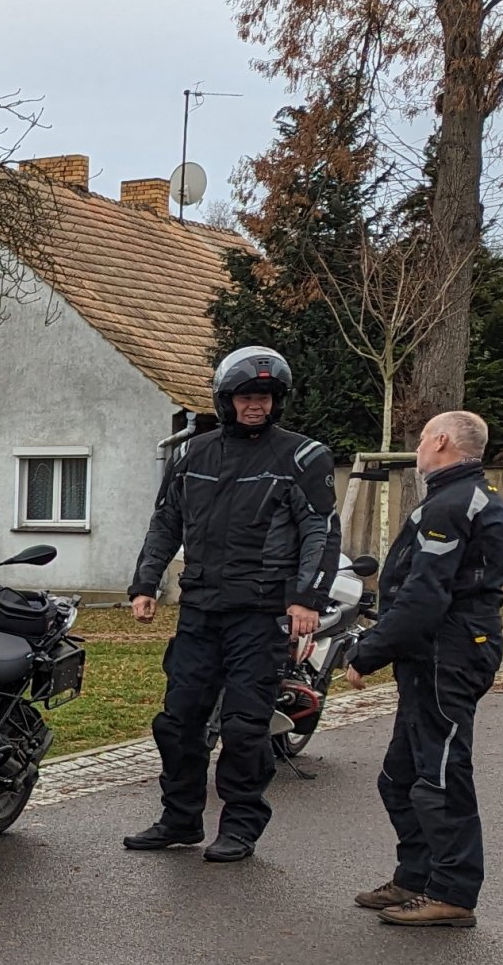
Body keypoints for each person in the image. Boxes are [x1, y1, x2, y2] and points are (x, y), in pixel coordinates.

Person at [121, 347, 340, 863]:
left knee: (244, 727)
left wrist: (306, 598)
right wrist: (145, 583)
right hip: (200, 611)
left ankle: (240, 825)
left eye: (265, 396)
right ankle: (179, 818)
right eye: (246, 397)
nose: (256, 405)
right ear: (226, 400)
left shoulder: (303, 457)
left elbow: (320, 531)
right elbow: (165, 523)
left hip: (260, 615)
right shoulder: (192, 455)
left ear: (278, 400)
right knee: (178, 722)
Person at [345, 410, 503, 928]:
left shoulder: (455, 503)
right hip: (429, 655)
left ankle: (452, 893)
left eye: (421, 439)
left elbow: (424, 594)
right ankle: (415, 877)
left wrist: (368, 652)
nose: (417, 447)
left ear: (441, 441)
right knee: (400, 777)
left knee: (440, 776)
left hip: (449, 653)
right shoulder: (453, 497)